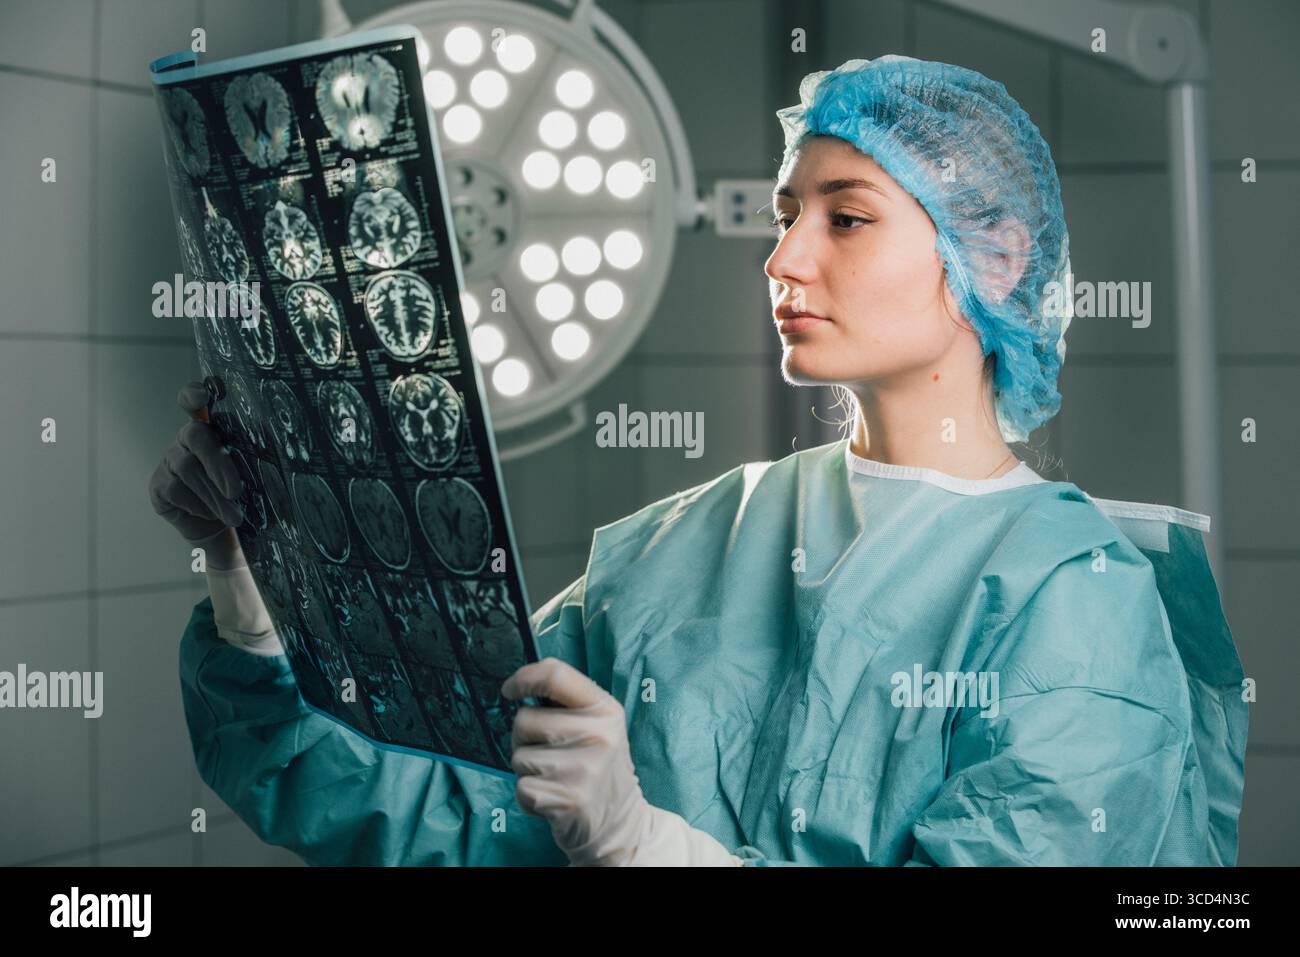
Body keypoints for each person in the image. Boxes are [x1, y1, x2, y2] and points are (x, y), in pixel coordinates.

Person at [150, 55, 1247, 866]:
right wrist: (249, 578)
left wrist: (643, 844)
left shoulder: (1075, 602)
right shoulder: (692, 543)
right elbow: (436, 797)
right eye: (783, 215)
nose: (782, 257)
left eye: (846, 219)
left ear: (996, 258)